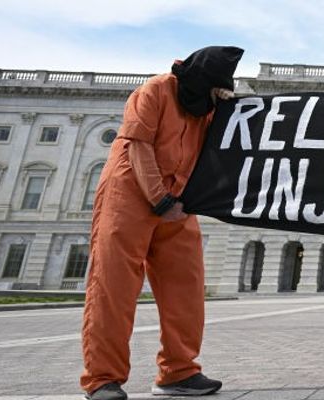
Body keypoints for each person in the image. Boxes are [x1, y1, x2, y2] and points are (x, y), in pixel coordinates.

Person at [79, 46, 243, 400]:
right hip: (130, 193)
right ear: (202, 82)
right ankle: (102, 378)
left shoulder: (206, 108)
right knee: (114, 286)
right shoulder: (155, 89)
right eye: (216, 91)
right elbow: (138, 145)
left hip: (179, 200)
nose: (217, 99)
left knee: (187, 286)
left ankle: (178, 372)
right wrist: (159, 199)